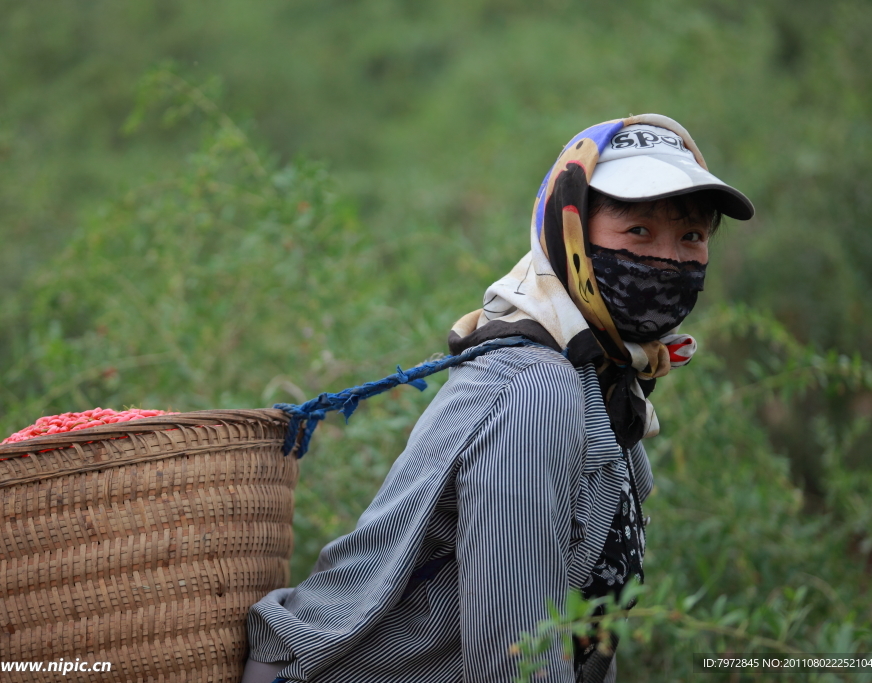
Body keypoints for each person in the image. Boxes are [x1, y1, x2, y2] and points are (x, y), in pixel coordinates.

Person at [243, 114, 755, 682]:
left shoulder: (603, 380)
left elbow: (584, 634)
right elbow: (514, 652)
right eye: (637, 231)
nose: (669, 259)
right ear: (570, 235)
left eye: (691, 236)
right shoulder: (538, 389)